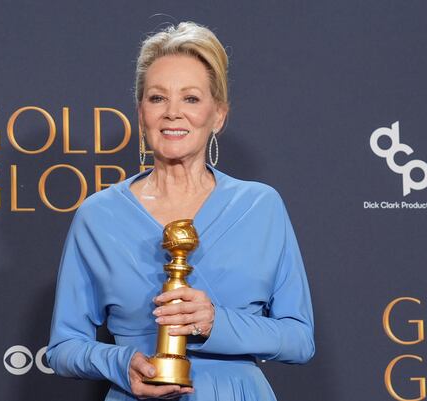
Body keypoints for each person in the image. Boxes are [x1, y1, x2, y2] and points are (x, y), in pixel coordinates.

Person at [46, 21, 315, 400]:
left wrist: (216, 322)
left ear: (218, 115)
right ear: (141, 114)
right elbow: (63, 348)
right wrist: (122, 363)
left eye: (191, 98)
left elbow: (299, 339)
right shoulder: (98, 216)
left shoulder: (261, 206)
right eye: (157, 98)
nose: (173, 113)